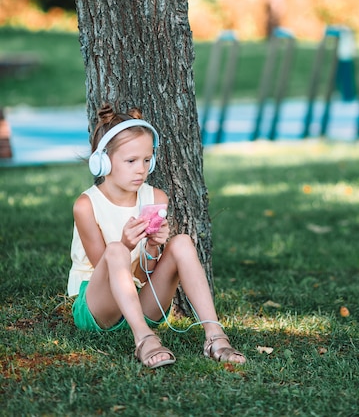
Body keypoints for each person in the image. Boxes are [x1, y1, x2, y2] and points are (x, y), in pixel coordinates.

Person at [67, 103, 246, 369]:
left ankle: (215, 337)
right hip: (97, 308)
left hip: (139, 301)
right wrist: (127, 244)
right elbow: (103, 270)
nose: (141, 169)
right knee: (115, 250)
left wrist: (151, 246)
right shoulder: (86, 206)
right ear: (102, 161)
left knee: (182, 242)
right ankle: (145, 340)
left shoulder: (155, 198)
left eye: (147, 160)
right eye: (131, 161)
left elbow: (140, 277)